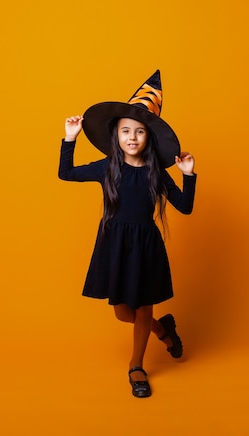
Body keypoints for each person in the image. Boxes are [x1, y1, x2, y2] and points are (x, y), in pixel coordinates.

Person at [58, 70, 197, 398]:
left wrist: (189, 176)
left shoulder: (156, 173)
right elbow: (65, 173)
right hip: (114, 243)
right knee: (123, 311)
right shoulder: (107, 167)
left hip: (145, 245)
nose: (132, 137)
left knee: (143, 305)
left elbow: (185, 207)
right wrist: (70, 138)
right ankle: (163, 330)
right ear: (116, 136)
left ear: (148, 138)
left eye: (139, 132)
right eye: (126, 131)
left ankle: (137, 365)